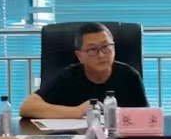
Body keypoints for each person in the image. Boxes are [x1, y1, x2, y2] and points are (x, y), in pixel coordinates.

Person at [19, 23, 148, 120]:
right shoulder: (68, 77)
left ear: (114, 48)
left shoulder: (129, 76)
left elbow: (147, 118)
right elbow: (27, 107)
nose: (101, 55)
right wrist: (78, 111)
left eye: (106, 47)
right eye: (92, 50)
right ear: (79, 56)